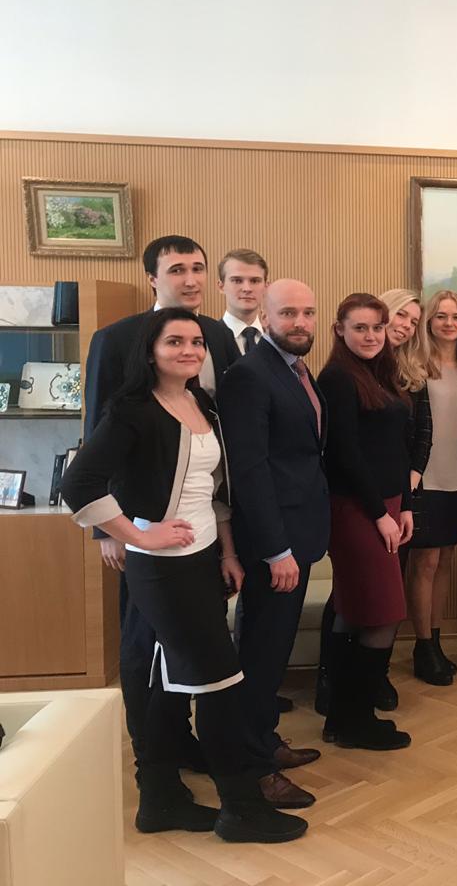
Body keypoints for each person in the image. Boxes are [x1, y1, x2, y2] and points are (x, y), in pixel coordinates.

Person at [62, 308, 306, 843]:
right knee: (220, 682)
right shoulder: (132, 410)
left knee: (169, 683)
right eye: (174, 341)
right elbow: (79, 483)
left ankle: (159, 799)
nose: (189, 350)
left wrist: (227, 553)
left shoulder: (202, 403)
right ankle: (241, 808)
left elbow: (212, 489)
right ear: (150, 351)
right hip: (163, 569)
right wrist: (138, 535)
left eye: (196, 342)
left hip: (202, 559)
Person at [82, 235, 239, 796]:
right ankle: (153, 764)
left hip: (201, 525)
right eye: (177, 269)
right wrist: (110, 530)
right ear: (152, 277)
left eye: (198, 268)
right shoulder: (116, 338)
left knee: (190, 647)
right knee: (145, 647)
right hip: (145, 528)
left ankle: (184, 742)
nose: (190, 279)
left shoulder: (217, 335)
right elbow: (97, 438)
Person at [218, 279, 327, 807]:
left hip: (298, 534)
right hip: (274, 544)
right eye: (288, 313)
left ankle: (265, 742)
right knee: (259, 656)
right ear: (265, 316)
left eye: (307, 312)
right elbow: (251, 471)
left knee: (274, 651)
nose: (299, 322)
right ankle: (253, 772)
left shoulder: (296, 369)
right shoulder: (249, 375)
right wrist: (276, 550)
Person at [316, 294, 414, 750]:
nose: (371, 335)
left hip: (387, 505)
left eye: (377, 327)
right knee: (382, 613)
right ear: (340, 330)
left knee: (354, 612)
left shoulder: (380, 371)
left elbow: (397, 446)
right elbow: (345, 454)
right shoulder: (337, 377)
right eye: (360, 328)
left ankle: (342, 718)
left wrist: (404, 506)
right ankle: (355, 721)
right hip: (357, 509)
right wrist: (380, 514)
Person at [405, 289, 457, 685]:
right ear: (429, 322)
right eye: (441, 316)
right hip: (423, 478)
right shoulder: (416, 367)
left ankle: (435, 640)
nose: (449, 323)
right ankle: (422, 646)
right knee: (425, 563)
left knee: (445, 559)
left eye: (456, 317)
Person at [379, 288, 439, 691]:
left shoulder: (412, 372)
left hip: (402, 496)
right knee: (367, 588)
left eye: (414, 322)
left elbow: (424, 432)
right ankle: (340, 678)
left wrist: (412, 477)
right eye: (401, 315)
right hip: (365, 497)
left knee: (393, 585)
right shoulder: (358, 366)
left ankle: (377, 673)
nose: (405, 326)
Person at [219, 249, 269, 355]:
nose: (247, 289)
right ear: (221, 286)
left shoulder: (276, 340)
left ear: (266, 287)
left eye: (254, 281)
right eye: (237, 281)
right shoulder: (207, 338)